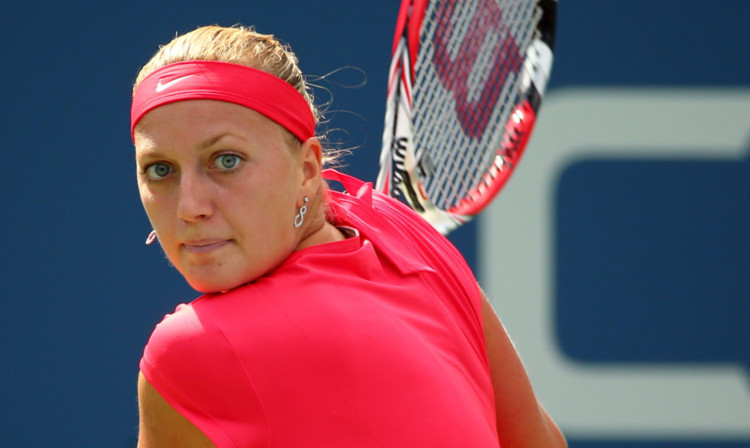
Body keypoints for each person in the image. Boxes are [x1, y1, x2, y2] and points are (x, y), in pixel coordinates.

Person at [131, 25, 566, 448]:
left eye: (226, 160)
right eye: (160, 170)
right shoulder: (403, 231)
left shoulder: (190, 351)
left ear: (307, 169)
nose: (190, 206)